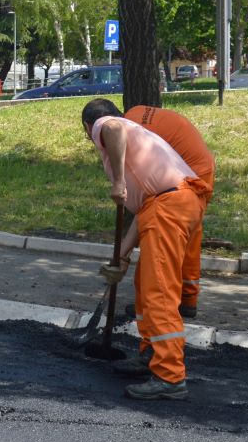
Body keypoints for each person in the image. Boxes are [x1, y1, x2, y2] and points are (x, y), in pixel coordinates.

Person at [82, 97, 202, 400]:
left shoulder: (107, 124)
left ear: (87, 127)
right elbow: (144, 212)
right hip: (169, 205)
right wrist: (120, 257)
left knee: (158, 293)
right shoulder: (140, 142)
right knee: (146, 286)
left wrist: (118, 181)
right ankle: (151, 355)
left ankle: (170, 376)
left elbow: (111, 127)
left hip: (169, 207)